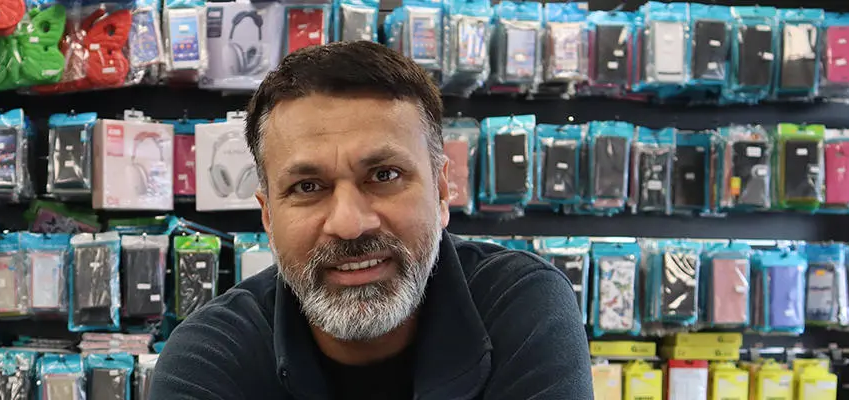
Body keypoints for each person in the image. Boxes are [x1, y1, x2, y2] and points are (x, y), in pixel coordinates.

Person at [150, 41, 594, 399]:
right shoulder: (208, 360)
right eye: (308, 187)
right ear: (268, 214)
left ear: (441, 191)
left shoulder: (519, 307)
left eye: (385, 175)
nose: (349, 224)